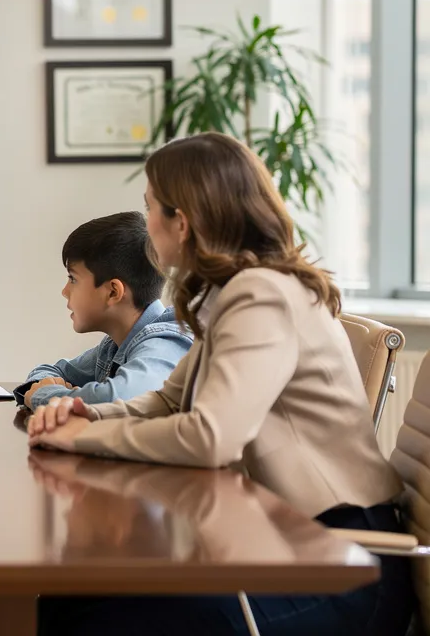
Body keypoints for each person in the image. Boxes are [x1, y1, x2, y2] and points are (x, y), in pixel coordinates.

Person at [27, 132, 414, 636]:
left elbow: (211, 438)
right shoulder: (233, 291)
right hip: (290, 543)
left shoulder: (261, 294)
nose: (145, 226)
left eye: (149, 209)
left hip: (343, 562)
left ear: (181, 223)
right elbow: (169, 401)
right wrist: (86, 415)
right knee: (70, 596)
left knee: (98, 617)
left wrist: (81, 437)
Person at [15, 211, 192, 410]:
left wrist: (42, 394)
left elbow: (120, 398)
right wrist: (43, 387)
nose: (64, 291)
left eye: (73, 279)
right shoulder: (112, 346)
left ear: (113, 292)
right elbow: (52, 370)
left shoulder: (165, 341)